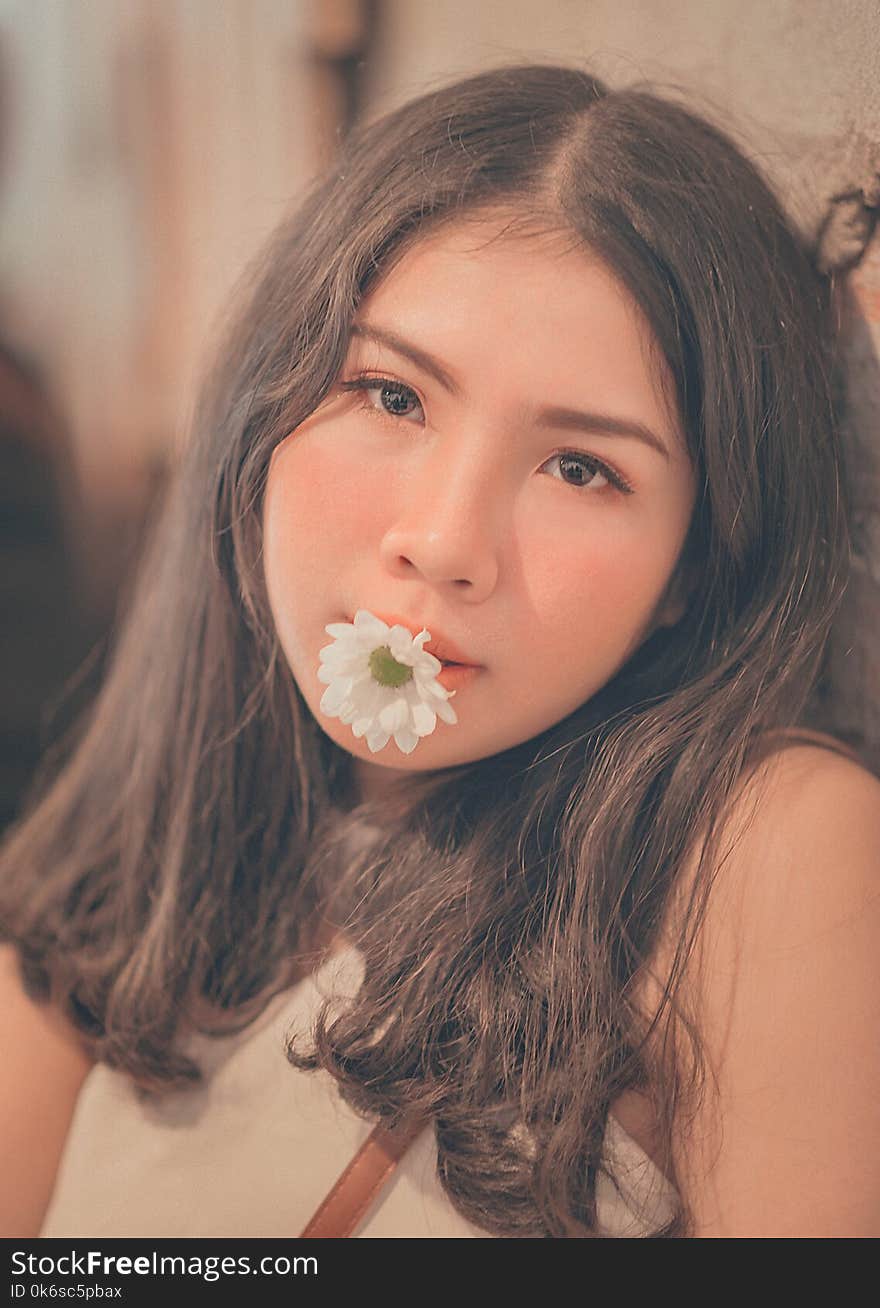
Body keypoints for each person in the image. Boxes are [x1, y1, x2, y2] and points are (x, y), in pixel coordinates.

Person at [1, 62, 878, 1240]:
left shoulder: (763, 848)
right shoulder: (124, 876)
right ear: (266, 405)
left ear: (692, 572)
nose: (445, 543)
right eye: (391, 395)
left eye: (583, 468)